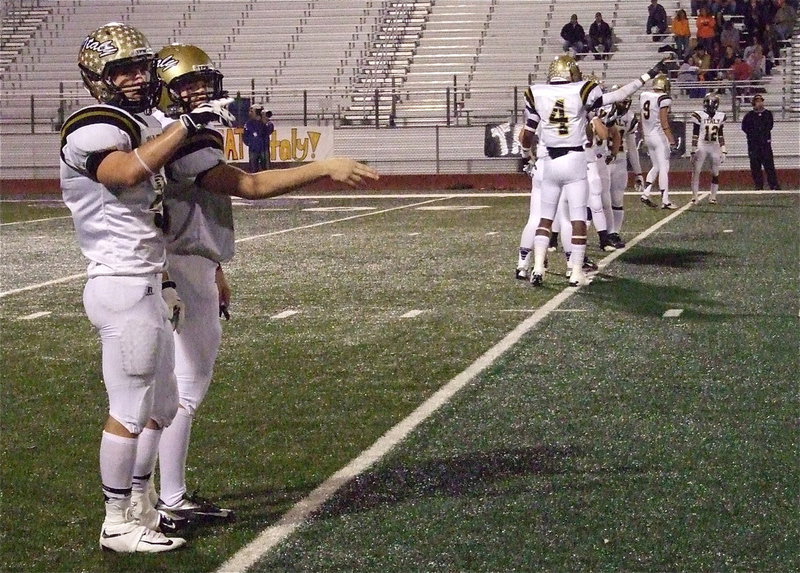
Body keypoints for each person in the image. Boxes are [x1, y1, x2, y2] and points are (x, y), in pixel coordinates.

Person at [152, 43, 380, 527]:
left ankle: (157, 495)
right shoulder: (182, 137)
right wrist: (323, 166)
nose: (200, 90)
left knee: (170, 391)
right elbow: (249, 186)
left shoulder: (170, 133)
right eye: (187, 84)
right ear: (166, 90)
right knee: (180, 391)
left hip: (187, 264)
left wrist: (214, 266)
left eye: (204, 80)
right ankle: (163, 498)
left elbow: (188, 209)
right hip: (180, 268)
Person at [60, 22, 234, 553]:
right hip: (119, 282)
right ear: (99, 78)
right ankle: (116, 523)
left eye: (141, 67)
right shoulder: (94, 124)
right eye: (123, 71)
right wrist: (185, 125)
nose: (137, 78)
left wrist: (176, 275)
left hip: (147, 282)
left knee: (162, 404)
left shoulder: (143, 123)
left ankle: (142, 504)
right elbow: (123, 174)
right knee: (130, 409)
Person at [522, 54, 666, 287]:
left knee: (545, 218)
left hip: (550, 162)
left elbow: (527, 134)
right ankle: (576, 271)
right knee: (578, 218)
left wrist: (525, 154)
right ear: (570, 72)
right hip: (575, 160)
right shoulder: (581, 90)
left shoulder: (536, 92)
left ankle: (538, 267)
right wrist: (647, 76)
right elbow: (620, 94)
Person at [607, 91, 645, 246]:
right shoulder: (602, 112)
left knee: (617, 199)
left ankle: (614, 233)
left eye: (626, 102)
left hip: (620, 160)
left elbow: (632, 148)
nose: (624, 105)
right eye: (621, 101)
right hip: (601, 160)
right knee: (595, 200)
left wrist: (638, 172)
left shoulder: (629, 117)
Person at [638, 73, 678, 210]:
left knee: (656, 166)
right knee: (664, 167)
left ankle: (646, 193)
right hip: (659, 136)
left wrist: (643, 136)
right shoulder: (663, 98)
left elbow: (642, 118)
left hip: (648, 135)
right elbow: (664, 121)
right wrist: (671, 140)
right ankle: (665, 200)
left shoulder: (644, 95)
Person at [690, 92, 727, 204]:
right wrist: (693, 150)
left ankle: (713, 196)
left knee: (715, 172)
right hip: (702, 145)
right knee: (697, 171)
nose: (710, 105)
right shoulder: (699, 115)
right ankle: (694, 196)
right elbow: (695, 133)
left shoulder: (721, 116)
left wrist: (723, 150)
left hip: (714, 145)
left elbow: (720, 134)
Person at [741, 94, 780, 189]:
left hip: (765, 144)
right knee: (755, 166)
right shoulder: (749, 115)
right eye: (757, 101)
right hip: (753, 145)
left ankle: (773, 185)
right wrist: (752, 135)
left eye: (761, 101)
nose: (760, 103)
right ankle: (758, 186)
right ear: (754, 103)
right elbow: (744, 127)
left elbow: (769, 126)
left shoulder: (768, 114)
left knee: (769, 165)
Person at [243, 104, 270, 172]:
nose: (249, 113)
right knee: (253, 169)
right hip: (253, 150)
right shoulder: (248, 123)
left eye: (252, 111)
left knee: (266, 169)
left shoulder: (266, 122)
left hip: (264, 149)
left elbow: (269, 130)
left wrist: (264, 122)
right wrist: (250, 143)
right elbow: (245, 135)